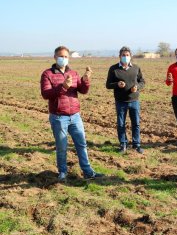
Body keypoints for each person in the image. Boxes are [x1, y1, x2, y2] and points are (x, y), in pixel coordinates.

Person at [40, 46, 104, 181]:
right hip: (58, 117)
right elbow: (46, 94)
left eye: (65, 57)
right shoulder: (47, 74)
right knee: (62, 146)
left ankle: (88, 172)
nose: (63, 59)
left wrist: (86, 79)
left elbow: (83, 90)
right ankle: (63, 172)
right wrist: (63, 87)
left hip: (75, 116)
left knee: (81, 144)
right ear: (55, 57)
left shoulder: (73, 73)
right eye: (61, 56)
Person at [106, 46, 145, 154]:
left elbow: (142, 82)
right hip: (120, 101)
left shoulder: (136, 68)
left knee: (136, 123)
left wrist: (137, 87)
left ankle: (136, 144)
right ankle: (123, 144)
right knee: (121, 124)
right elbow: (108, 85)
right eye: (123, 55)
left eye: (127, 55)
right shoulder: (113, 69)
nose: (125, 57)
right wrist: (117, 84)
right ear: (119, 56)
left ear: (130, 56)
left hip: (134, 100)